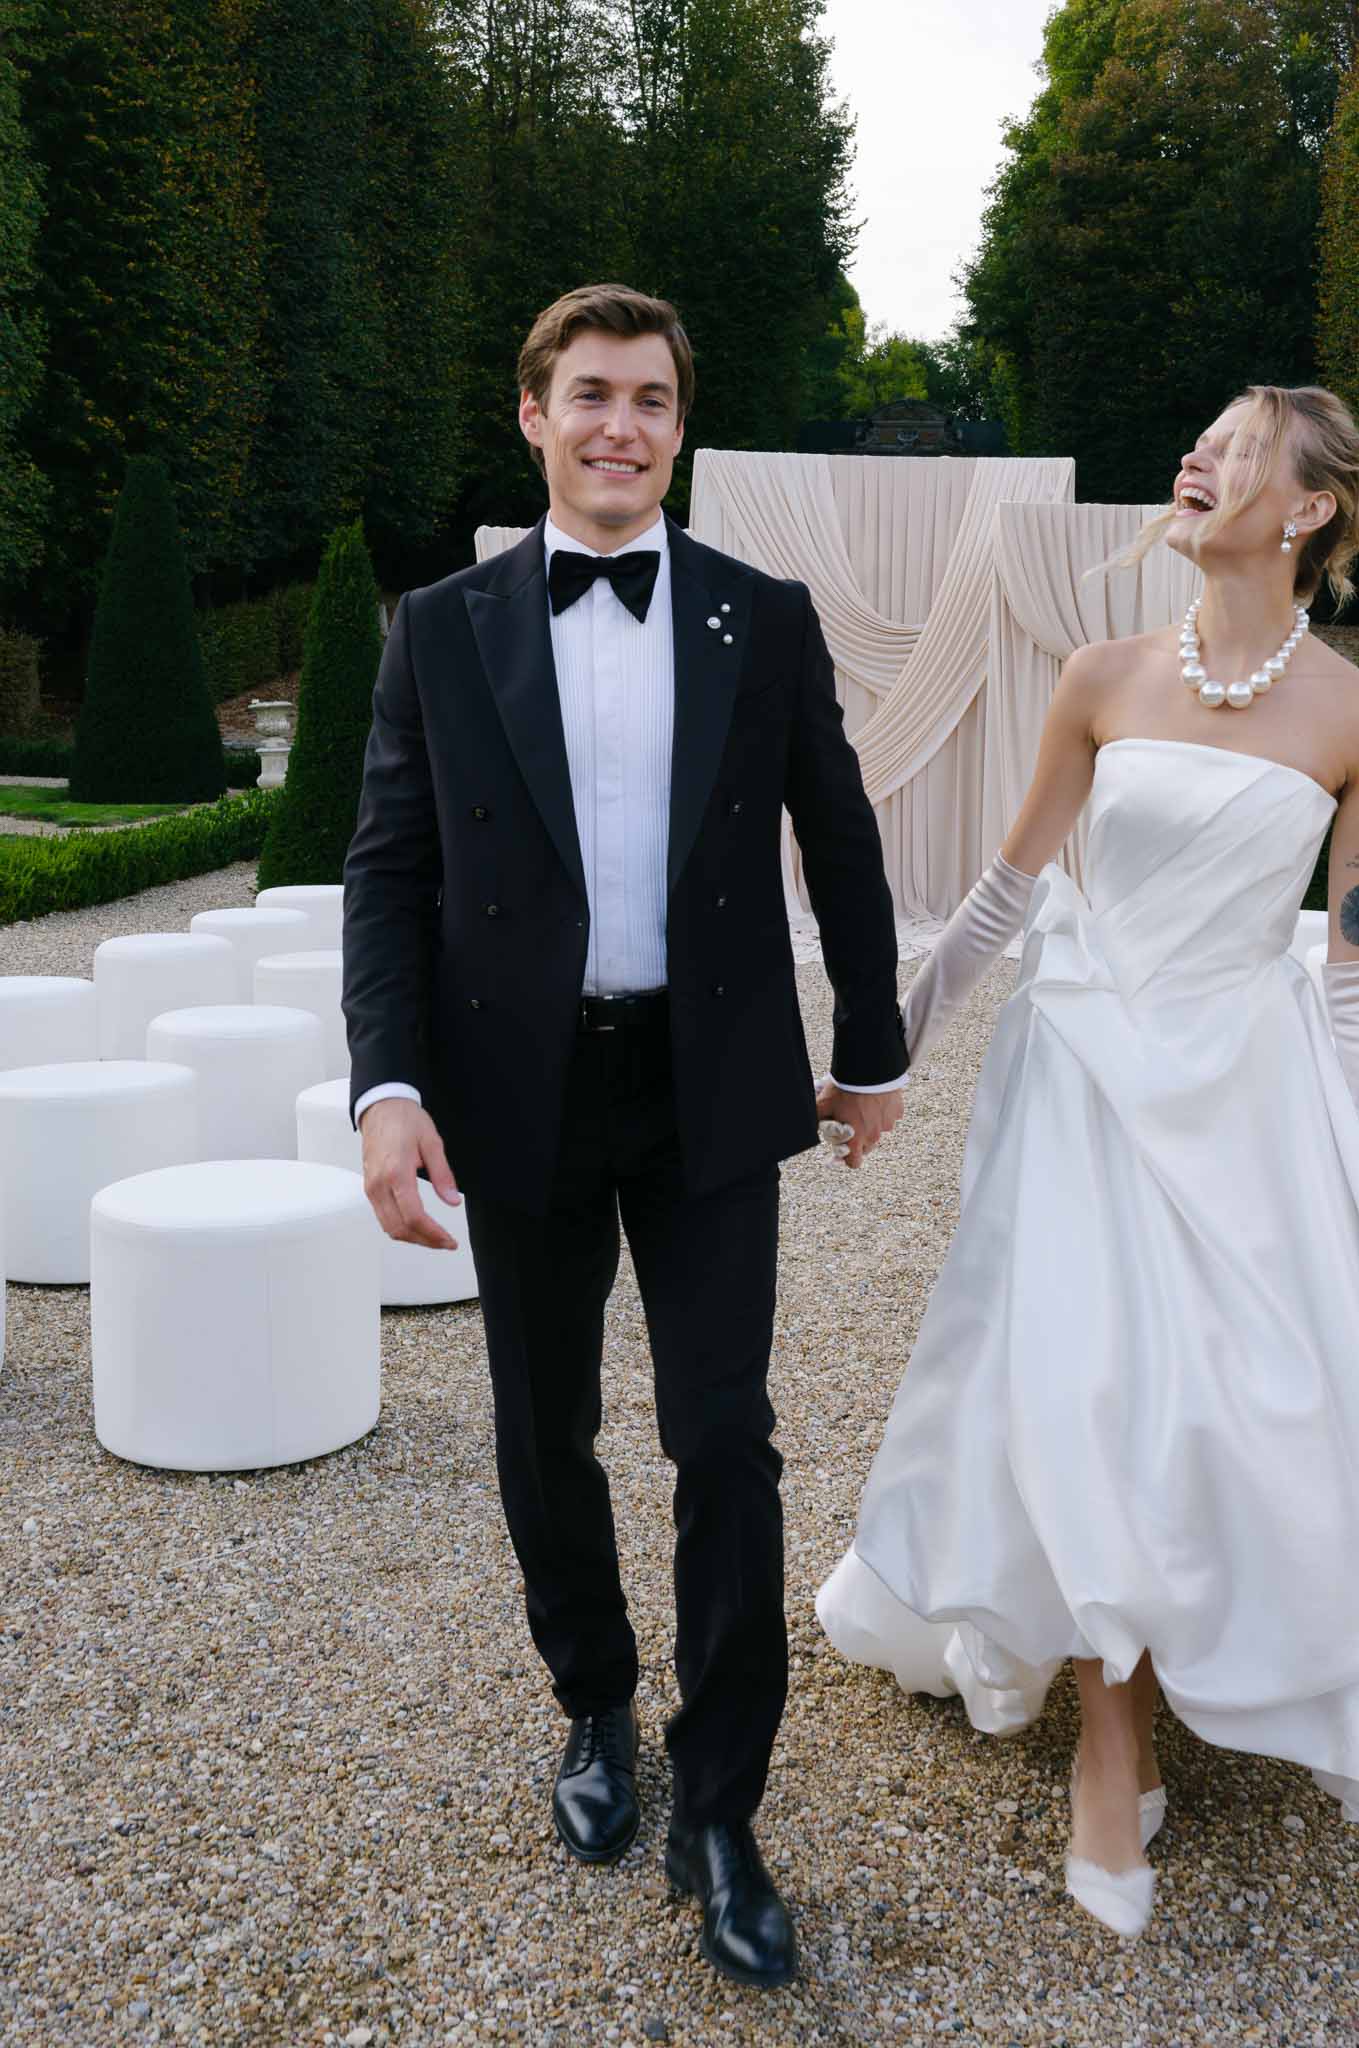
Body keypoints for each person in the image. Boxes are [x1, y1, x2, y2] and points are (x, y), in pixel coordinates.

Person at [817, 385, 1359, 1939]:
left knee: (1239, 1403)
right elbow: (999, 897)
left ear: (1307, 508)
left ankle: (1209, 1640)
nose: (1198, 458)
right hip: (1082, 1082)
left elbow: (1355, 964)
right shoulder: (1100, 675)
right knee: (1086, 1388)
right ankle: (1108, 1749)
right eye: (1200, 439)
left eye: (1238, 449)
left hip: (1245, 1099)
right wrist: (879, 1053)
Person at [341, 283, 907, 1989]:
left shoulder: (761, 614)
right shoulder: (440, 626)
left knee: (724, 1437)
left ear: (678, 425)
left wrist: (870, 1047)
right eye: (590, 394)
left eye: (650, 399)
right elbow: (390, 870)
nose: (621, 426)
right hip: (515, 1086)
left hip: (709, 1084)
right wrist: (386, 1088)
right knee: (544, 1427)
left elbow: (841, 837)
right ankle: (594, 1700)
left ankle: (720, 1802)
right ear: (534, 415)